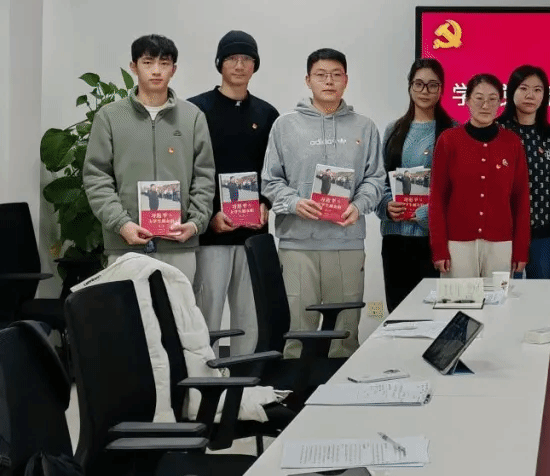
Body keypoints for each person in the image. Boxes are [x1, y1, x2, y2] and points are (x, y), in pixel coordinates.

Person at [261, 48, 384, 358]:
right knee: (297, 331)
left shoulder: (364, 127)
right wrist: (294, 203)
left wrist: (358, 206)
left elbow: (375, 179)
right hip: (297, 244)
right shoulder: (285, 126)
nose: (329, 81)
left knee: (345, 332)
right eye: (321, 75)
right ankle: (296, 386)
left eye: (335, 75)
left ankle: (342, 384)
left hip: (346, 241)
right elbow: (270, 181)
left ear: (346, 80)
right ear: (308, 80)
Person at [83, 34, 214, 282]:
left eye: (164, 63)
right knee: (130, 308)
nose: (156, 70)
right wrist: (122, 224)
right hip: (125, 244)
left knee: (179, 307)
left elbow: (204, 176)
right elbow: (96, 177)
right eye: (147, 62)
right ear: (133, 67)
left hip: (179, 243)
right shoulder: (109, 117)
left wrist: (195, 222)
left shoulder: (193, 117)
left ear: (173, 69)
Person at [189, 30, 279, 356]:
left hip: (253, 233)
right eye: (232, 58)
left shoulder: (267, 115)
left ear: (255, 65)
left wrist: (266, 204)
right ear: (220, 63)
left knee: (250, 314)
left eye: (246, 59)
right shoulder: (196, 110)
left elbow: (273, 170)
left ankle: (245, 377)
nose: (239, 65)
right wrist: (209, 216)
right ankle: (205, 377)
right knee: (207, 311)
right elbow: (189, 171)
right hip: (212, 233)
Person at [428, 73, 530, 278]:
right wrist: (439, 248)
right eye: (479, 98)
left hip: (501, 242)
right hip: (457, 243)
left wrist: (520, 249)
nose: (485, 105)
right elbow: (437, 197)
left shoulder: (512, 143)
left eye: (492, 99)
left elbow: (520, 199)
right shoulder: (449, 140)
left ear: (500, 103)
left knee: (498, 298)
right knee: (460, 298)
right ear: (467, 101)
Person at [376, 59, 455, 313]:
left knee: (434, 314)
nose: (425, 91)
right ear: (410, 87)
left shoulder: (452, 131)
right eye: (418, 84)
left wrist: (429, 213)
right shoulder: (394, 129)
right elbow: (380, 177)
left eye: (432, 85)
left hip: (434, 241)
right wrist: (386, 205)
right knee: (399, 314)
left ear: (441, 89)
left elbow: (458, 189)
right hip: (395, 238)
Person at [497, 65, 550, 278]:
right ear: (512, 91)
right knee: (505, 293)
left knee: (544, 294)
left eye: (537, 90)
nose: (530, 95)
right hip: (504, 232)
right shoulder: (497, 132)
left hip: (544, 231)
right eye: (523, 88)